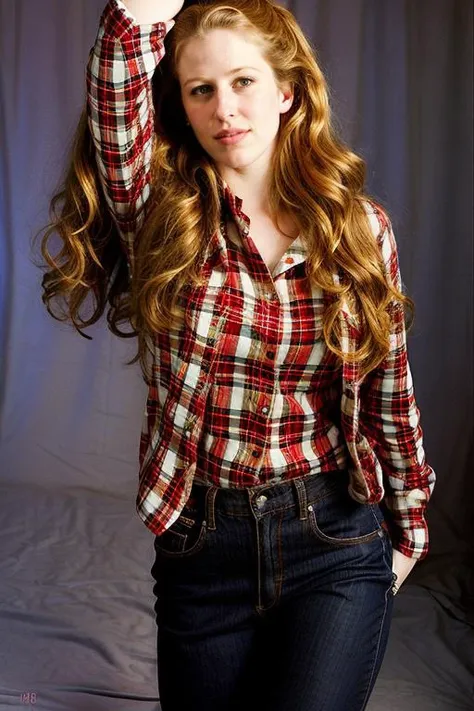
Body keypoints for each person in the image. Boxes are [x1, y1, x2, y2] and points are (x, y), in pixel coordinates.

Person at [33, 0, 437, 709]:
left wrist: (410, 528)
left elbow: (389, 393)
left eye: (244, 81)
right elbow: (120, 73)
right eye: (201, 89)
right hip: (201, 543)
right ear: (182, 106)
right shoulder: (162, 217)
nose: (226, 108)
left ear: (287, 90)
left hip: (332, 536)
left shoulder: (361, 231)